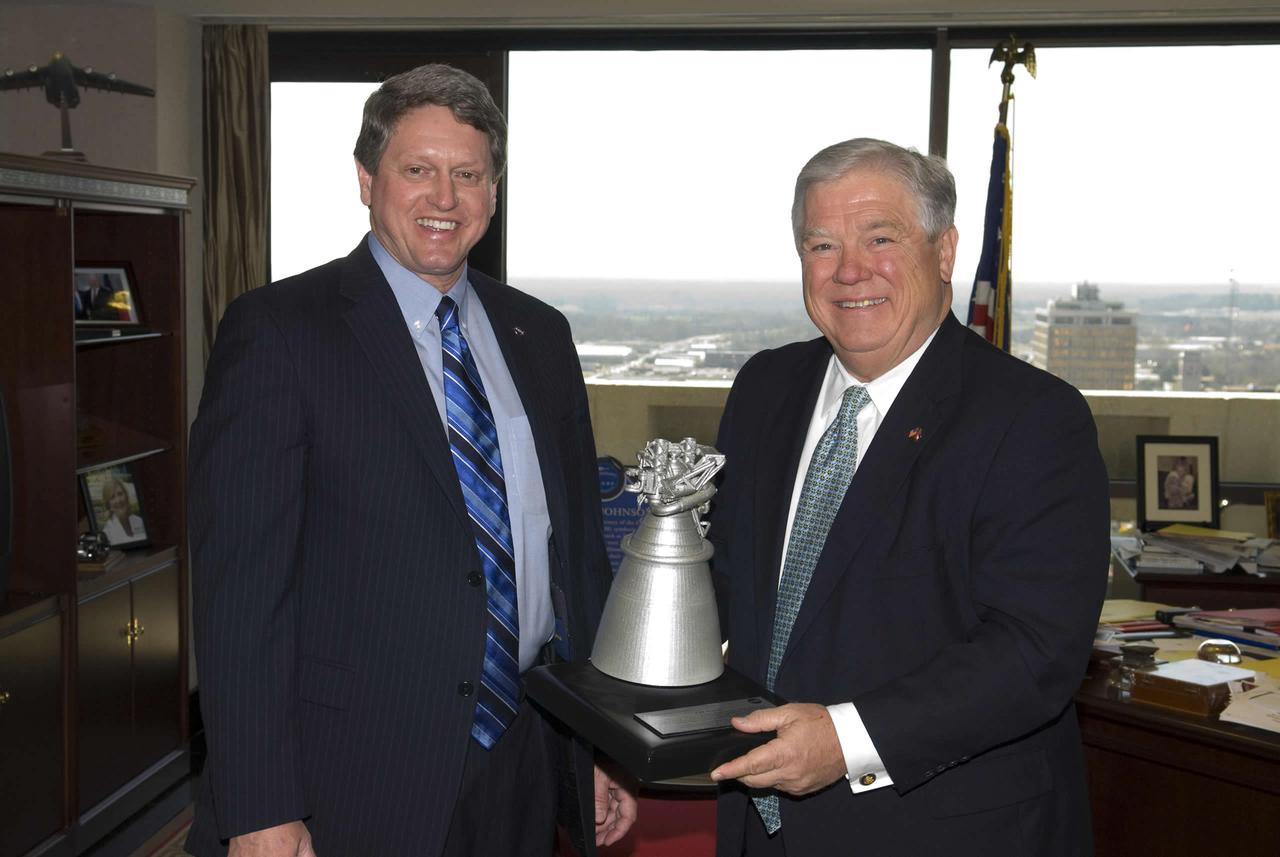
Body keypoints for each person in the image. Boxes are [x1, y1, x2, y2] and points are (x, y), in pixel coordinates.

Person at [186, 64, 636, 857]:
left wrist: (593, 747)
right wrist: (258, 804)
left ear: (493, 191)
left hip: (525, 752)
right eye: (418, 169)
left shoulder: (540, 335)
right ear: (367, 179)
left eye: (469, 174)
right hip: (354, 772)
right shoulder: (280, 333)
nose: (445, 197)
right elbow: (241, 597)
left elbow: (576, 566)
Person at [707, 138, 1109, 856]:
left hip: (946, 829)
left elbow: (1036, 651)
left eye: (880, 238)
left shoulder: (1032, 418)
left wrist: (848, 739)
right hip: (760, 825)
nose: (849, 270)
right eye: (822, 245)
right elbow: (725, 586)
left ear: (944, 251)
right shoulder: (765, 389)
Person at [99, 475, 146, 545]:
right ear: (108, 505)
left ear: (126, 496)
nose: (118, 500)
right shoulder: (107, 534)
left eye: (120, 494)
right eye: (112, 497)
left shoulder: (140, 521)